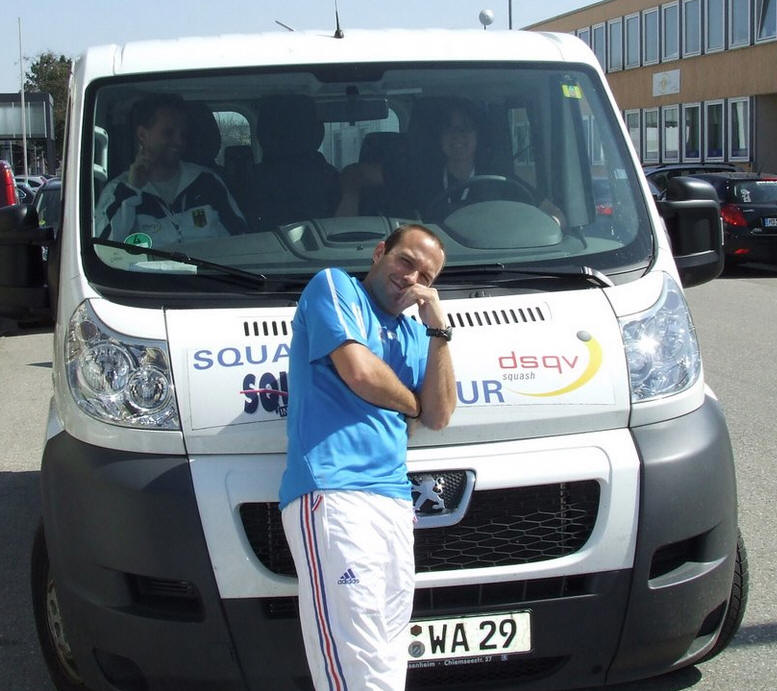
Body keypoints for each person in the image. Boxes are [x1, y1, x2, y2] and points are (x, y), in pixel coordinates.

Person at [279, 224, 457, 691]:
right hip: (334, 494)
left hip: (394, 503)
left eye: (426, 276)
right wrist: (412, 403)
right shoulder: (335, 287)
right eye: (405, 261)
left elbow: (439, 414)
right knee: (355, 657)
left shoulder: (416, 335)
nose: (412, 278)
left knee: (387, 656)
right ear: (380, 253)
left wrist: (438, 328)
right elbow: (359, 372)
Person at [336, 100, 565, 225]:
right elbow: (353, 174)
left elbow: (556, 217)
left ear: (479, 136)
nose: (457, 137)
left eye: (466, 128)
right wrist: (350, 199)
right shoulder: (416, 175)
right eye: (449, 129)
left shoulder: (502, 183)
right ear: (439, 137)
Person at [95, 94, 247, 246]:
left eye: (183, 134)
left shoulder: (208, 182)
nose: (179, 141)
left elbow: (242, 239)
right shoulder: (117, 191)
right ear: (142, 135)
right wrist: (131, 191)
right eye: (168, 133)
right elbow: (104, 248)